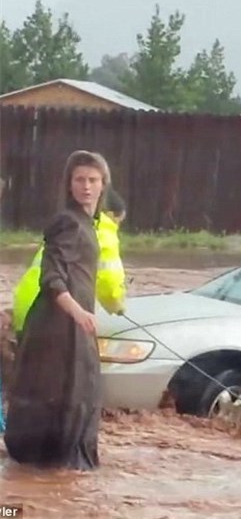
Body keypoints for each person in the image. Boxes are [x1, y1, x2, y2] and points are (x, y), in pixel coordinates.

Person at [4, 150, 111, 471]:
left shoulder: (89, 223)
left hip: (71, 326)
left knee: (79, 393)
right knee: (68, 394)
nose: (86, 186)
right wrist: (77, 312)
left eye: (93, 180)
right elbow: (52, 277)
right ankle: (48, 472)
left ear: (104, 184)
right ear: (69, 184)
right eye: (79, 179)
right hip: (57, 327)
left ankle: (56, 475)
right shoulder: (66, 221)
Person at [10, 187, 128, 339]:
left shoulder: (68, 223)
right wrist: (118, 307)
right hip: (53, 315)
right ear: (111, 215)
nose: (117, 227)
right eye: (119, 222)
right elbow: (108, 284)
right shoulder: (104, 231)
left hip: (23, 310)